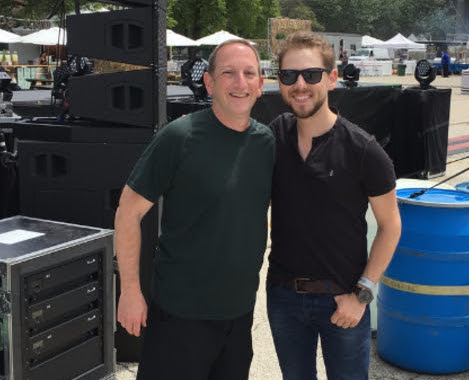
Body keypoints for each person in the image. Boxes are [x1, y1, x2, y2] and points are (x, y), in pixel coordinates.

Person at [115, 39, 274, 380]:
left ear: (261, 85)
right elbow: (128, 212)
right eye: (229, 73)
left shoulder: (267, 144)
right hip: (180, 315)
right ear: (210, 82)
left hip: (240, 313)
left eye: (249, 74)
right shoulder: (179, 137)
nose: (240, 83)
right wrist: (130, 291)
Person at [267, 31, 402, 380]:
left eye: (311, 74)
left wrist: (362, 294)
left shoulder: (363, 149)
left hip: (342, 299)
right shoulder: (274, 137)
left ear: (331, 78)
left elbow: (391, 226)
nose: (300, 85)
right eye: (289, 75)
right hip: (283, 296)